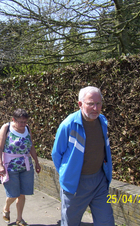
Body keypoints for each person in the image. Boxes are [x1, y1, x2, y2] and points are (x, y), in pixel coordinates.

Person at [51, 86, 114, 226]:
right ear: (80, 104)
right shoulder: (68, 124)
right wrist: (67, 175)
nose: (96, 108)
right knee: (70, 223)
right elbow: (56, 154)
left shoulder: (102, 121)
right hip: (75, 185)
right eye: (91, 104)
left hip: (99, 182)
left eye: (98, 104)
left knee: (107, 221)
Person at [0, 109, 41, 226]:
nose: (23, 124)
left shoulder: (27, 129)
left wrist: (36, 162)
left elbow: (31, 146)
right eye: (20, 122)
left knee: (23, 193)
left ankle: (19, 219)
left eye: (25, 121)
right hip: (10, 167)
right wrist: (0, 164)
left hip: (26, 166)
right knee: (14, 194)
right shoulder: (6, 128)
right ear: (13, 120)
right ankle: (6, 207)